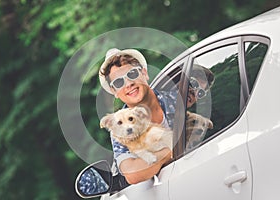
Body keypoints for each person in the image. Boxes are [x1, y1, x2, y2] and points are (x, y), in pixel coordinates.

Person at [76, 48, 215, 194]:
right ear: (114, 92)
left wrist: (151, 162)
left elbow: (202, 121)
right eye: (118, 83)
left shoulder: (176, 99)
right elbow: (133, 174)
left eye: (132, 74)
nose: (128, 83)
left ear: (144, 73)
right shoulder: (119, 129)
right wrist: (172, 150)